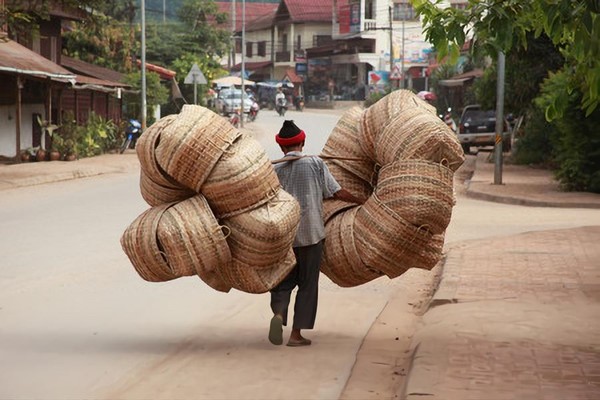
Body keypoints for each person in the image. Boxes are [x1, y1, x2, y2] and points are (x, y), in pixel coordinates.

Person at [268, 120, 361, 347]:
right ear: (303, 142)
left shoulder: (274, 170)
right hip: (311, 235)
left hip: (284, 237)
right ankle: (295, 335)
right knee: (307, 284)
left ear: (281, 148)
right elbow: (336, 192)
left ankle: (279, 315)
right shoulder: (315, 164)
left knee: (282, 281)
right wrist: (361, 201)